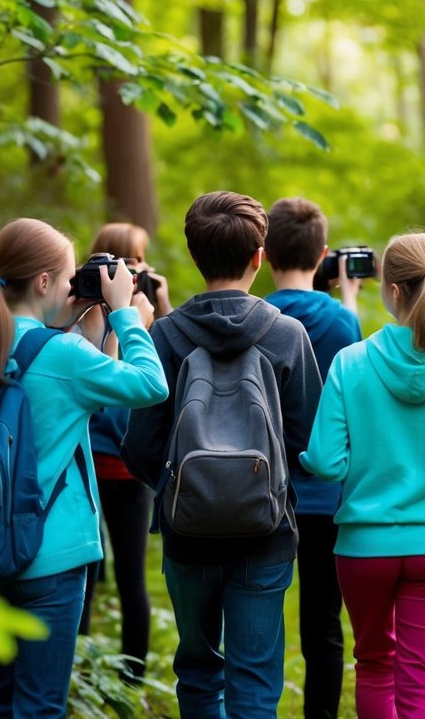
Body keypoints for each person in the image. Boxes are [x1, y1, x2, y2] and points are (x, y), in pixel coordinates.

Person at [0, 217, 169, 718]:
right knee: (39, 705)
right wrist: (123, 315)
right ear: (46, 283)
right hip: (52, 558)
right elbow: (151, 384)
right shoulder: (67, 354)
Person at [121, 191, 322, 719]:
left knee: (197, 672)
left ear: (193, 256)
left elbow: (140, 445)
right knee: (254, 680)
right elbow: (308, 444)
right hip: (266, 533)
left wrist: (177, 491)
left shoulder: (163, 336)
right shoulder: (288, 336)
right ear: (260, 257)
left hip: (188, 536)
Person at [300, 231, 425, 719]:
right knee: (423, 679)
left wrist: (358, 465)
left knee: (374, 665)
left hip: (362, 548)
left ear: (392, 290)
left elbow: (327, 462)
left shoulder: (350, 363)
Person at [263, 197, 363, 719]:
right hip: (326, 496)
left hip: (261, 495)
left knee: (259, 617)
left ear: (263, 252)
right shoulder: (343, 322)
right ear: (323, 255)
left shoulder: (256, 315)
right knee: (324, 622)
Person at [73, 222, 172, 682]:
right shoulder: (82, 315)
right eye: (130, 261)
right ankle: (76, 671)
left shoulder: (144, 314)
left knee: (132, 577)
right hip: (88, 463)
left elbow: (166, 378)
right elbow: (107, 385)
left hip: (127, 468)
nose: (138, 271)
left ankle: (131, 679)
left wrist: (159, 307)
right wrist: (121, 318)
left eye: (142, 262)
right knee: (85, 573)